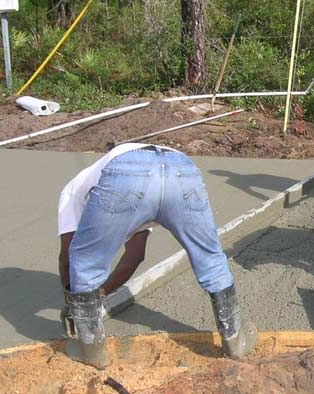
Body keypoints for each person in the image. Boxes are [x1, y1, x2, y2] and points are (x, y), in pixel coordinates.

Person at [58, 143, 257, 369]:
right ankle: (235, 341)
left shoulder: (71, 192)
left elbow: (68, 258)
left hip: (128, 174)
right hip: (182, 170)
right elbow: (135, 255)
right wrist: (101, 294)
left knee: (85, 263)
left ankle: (91, 350)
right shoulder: (106, 177)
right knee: (210, 258)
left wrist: (75, 301)